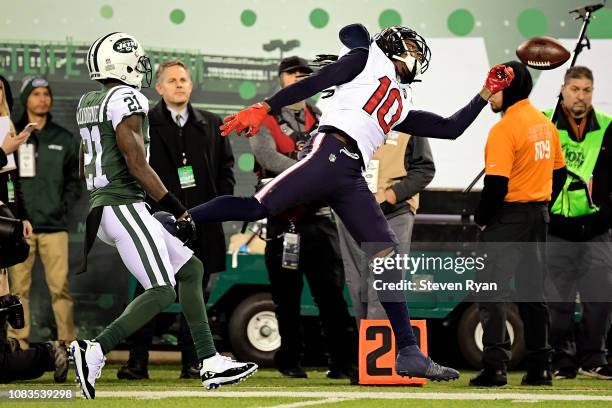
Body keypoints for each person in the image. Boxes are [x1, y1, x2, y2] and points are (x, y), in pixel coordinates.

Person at [188, 24, 514, 381]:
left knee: (385, 250)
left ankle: (408, 351)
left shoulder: (401, 99)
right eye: (412, 50)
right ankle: (181, 220)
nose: (417, 58)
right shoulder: (366, 60)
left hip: (350, 171)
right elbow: (322, 71)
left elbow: (451, 128)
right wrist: (264, 106)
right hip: (329, 152)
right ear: (392, 48)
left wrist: (486, 92)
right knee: (258, 207)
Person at [69, 32, 256, 399]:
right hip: (124, 204)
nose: (142, 67)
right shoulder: (126, 97)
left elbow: (83, 163)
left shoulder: (90, 100)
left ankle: (208, 359)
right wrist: (176, 207)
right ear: (122, 63)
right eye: (137, 61)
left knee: (191, 269)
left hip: (107, 205)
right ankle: (95, 349)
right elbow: (136, 162)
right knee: (161, 289)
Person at [116, 59, 236, 380]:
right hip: (157, 222)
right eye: (172, 80)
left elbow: (226, 171)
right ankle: (137, 362)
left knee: (196, 295)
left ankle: (192, 362)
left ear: (191, 84)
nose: (179, 84)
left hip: (202, 224)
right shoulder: (144, 123)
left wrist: (217, 207)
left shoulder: (211, 123)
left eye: (183, 79)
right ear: (159, 87)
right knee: (148, 291)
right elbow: (134, 169)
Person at [250, 56, 356, 379]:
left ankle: (341, 362)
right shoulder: (264, 117)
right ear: (281, 79)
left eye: (305, 75)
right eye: (292, 74)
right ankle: (290, 362)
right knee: (287, 298)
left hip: (320, 218)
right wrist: (310, 174)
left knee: (332, 296)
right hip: (285, 221)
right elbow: (266, 157)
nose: (299, 79)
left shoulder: (324, 116)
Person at [469, 61, 566, 387]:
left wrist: (482, 221)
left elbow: (496, 185)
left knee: (491, 293)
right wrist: (541, 206)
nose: (491, 95)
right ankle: (541, 368)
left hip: (508, 220)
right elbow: (561, 174)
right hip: (538, 217)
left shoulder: (504, 128)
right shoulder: (543, 124)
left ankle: (495, 368)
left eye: (496, 89)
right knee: (532, 294)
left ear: (508, 89)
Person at [544, 66, 612, 380]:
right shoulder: (544, 122)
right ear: (563, 90)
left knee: (599, 299)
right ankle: (562, 361)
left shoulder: (609, 127)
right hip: (556, 227)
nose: (580, 96)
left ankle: (594, 358)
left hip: (596, 229)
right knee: (557, 304)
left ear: (592, 93)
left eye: (586, 90)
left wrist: (604, 217)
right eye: (574, 89)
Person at [8, 77, 81, 350]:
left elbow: (75, 179)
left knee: (60, 289)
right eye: (36, 93)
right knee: (18, 290)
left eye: (46, 93)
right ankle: (18, 345)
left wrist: (62, 207)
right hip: (18, 228)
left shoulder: (63, 138)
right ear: (26, 98)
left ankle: (68, 345)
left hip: (54, 227)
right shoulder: (12, 135)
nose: (42, 99)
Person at [336, 132, 434, 325]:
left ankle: (378, 353)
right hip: (351, 211)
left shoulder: (410, 122)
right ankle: (367, 348)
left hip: (393, 213)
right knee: (357, 286)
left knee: (383, 287)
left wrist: (393, 195)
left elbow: (425, 168)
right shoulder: (349, 117)